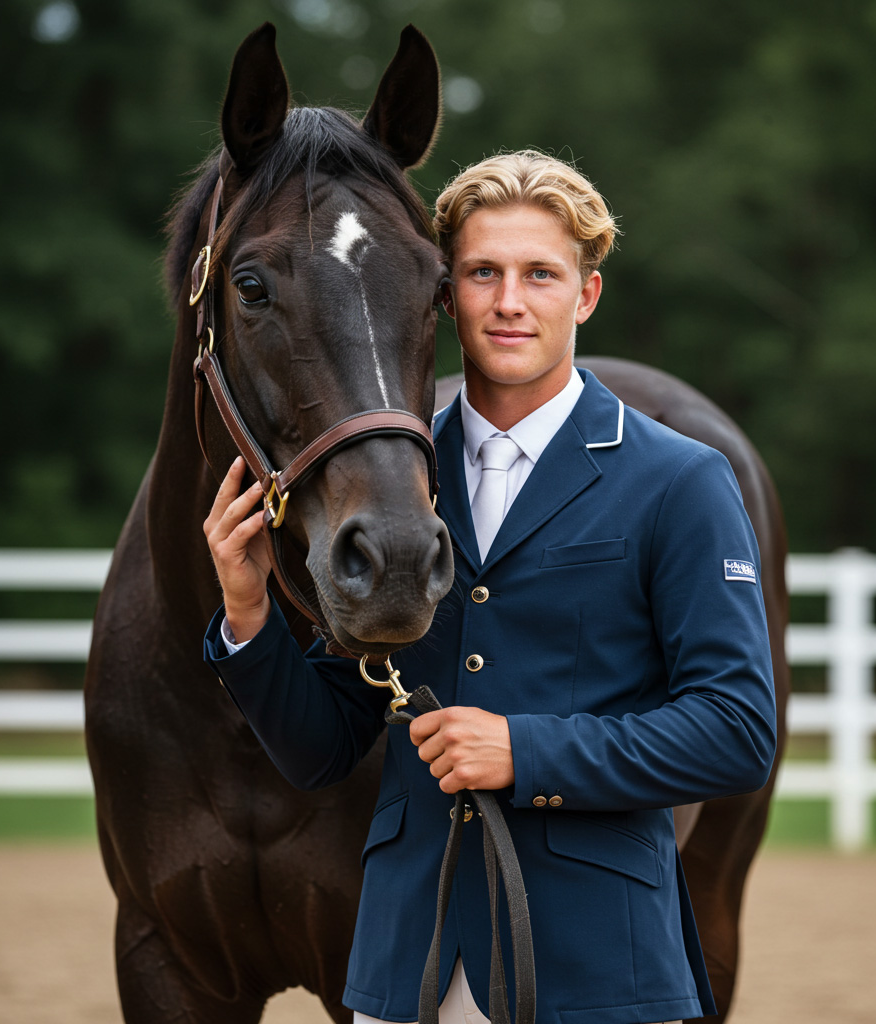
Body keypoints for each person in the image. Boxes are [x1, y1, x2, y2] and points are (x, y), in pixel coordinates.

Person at [203, 150, 776, 1024]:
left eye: (540, 274)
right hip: (407, 970)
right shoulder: (392, 487)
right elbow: (323, 748)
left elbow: (735, 734)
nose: (509, 302)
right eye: (482, 273)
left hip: (601, 971)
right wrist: (249, 615)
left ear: (584, 295)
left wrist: (526, 752)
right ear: (444, 296)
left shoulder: (682, 481)